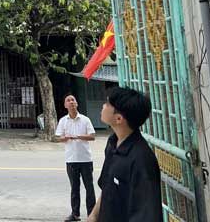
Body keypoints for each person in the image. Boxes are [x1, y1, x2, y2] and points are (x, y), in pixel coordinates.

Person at [88, 87, 162, 222]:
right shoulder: (112, 143)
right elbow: (107, 186)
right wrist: (93, 215)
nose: (103, 106)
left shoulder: (141, 160)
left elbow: (146, 214)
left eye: (108, 104)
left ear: (118, 118)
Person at [55, 94, 96, 222]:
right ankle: (75, 214)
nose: (71, 102)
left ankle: (92, 214)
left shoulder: (85, 120)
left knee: (89, 188)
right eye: (68, 100)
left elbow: (92, 136)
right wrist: (65, 138)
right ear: (65, 105)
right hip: (71, 159)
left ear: (77, 103)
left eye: (73, 100)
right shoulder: (63, 121)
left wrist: (78, 136)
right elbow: (58, 137)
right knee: (74, 188)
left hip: (85, 159)